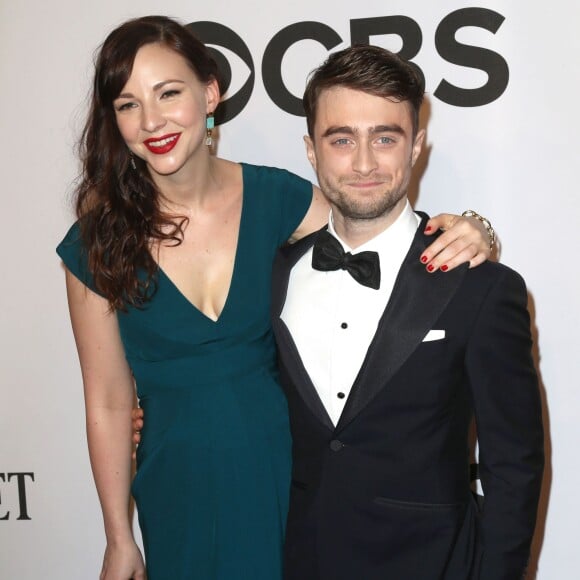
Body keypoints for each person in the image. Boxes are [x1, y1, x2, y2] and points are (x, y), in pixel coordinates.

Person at [57, 15, 493, 580]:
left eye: (169, 93)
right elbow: (109, 402)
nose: (152, 121)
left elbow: (376, 229)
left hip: (291, 476)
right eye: (127, 104)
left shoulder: (279, 199)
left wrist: (474, 228)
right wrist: (119, 537)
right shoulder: (96, 244)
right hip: (179, 487)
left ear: (209, 92)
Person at [269, 45, 544, 580]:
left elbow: (514, 467)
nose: (365, 162)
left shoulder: (481, 288)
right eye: (341, 138)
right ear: (310, 149)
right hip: (298, 560)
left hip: (435, 564)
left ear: (416, 146)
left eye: (385, 138)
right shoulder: (271, 273)